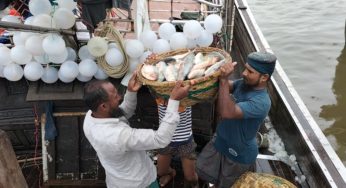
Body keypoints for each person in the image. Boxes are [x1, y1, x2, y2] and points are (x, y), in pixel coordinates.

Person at [82, 72, 191, 188]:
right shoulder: (117, 136)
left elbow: (123, 113)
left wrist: (131, 92)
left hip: (118, 180)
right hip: (139, 183)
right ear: (103, 106)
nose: (119, 96)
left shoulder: (91, 116)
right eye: (115, 96)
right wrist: (174, 101)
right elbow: (160, 139)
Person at [196, 51, 277, 188]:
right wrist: (212, 70)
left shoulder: (262, 102)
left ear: (264, 77)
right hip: (219, 141)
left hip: (238, 155)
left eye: (250, 71)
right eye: (245, 68)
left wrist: (223, 80)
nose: (244, 73)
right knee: (200, 171)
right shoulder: (243, 84)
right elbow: (226, 85)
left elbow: (227, 112)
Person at [155, 98, 198, 188]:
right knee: (161, 172)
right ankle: (171, 173)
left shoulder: (186, 91)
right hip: (165, 139)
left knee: (190, 177)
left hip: (185, 140)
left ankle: (195, 183)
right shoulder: (159, 90)